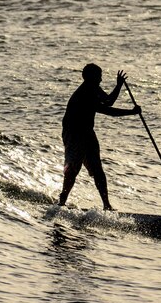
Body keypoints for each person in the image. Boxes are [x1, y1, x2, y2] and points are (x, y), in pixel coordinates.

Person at [58, 63, 141, 211]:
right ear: (91, 77)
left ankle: (106, 205)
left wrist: (119, 85)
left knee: (98, 170)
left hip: (87, 132)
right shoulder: (85, 92)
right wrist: (131, 112)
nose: (101, 80)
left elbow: (109, 101)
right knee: (73, 169)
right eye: (99, 76)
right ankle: (61, 202)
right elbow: (108, 110)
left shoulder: (94, 87)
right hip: (74, 133)